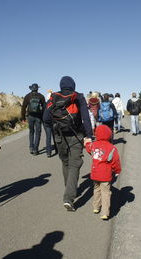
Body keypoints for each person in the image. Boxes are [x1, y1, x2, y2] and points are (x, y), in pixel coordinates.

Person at [43, 76, 93, 211]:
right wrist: (89, 135)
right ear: (73, 85)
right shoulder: (78, 97)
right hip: (76, 135)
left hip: (59, 136)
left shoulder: (53, 97)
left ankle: (69, 189)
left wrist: (54, 129)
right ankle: (69, 197)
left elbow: (46, 118)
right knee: (75, 164)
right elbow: (86, 118)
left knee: (66, 163)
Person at [85, 125, 121, 220]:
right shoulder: (112, 148)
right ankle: (105, 212)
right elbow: (115, 161)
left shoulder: (94, 145)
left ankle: (96, 207)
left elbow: (89, 148)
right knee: (106, 193)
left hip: (95, 174)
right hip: (105, 175)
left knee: (96, 190)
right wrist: (117, 170)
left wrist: (87, 142)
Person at [21, 83, 46, 155]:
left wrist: (23, 118)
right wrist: (43, 117)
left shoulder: (27, 96)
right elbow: (44, 108)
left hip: (30, 116)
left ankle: (31, 147)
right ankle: (35, 149)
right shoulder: (41, 96)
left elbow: (23, 107)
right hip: (38, 117)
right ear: (37, 88)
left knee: (31, 132)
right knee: (38, 133)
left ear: (31, 89)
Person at [44, 89, 55, 157]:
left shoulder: (46, 103)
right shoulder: (54, 102)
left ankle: (48, 152)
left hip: (46, 120)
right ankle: (57, 149)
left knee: (48, 136)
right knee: (55, 135)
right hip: (52, 120)